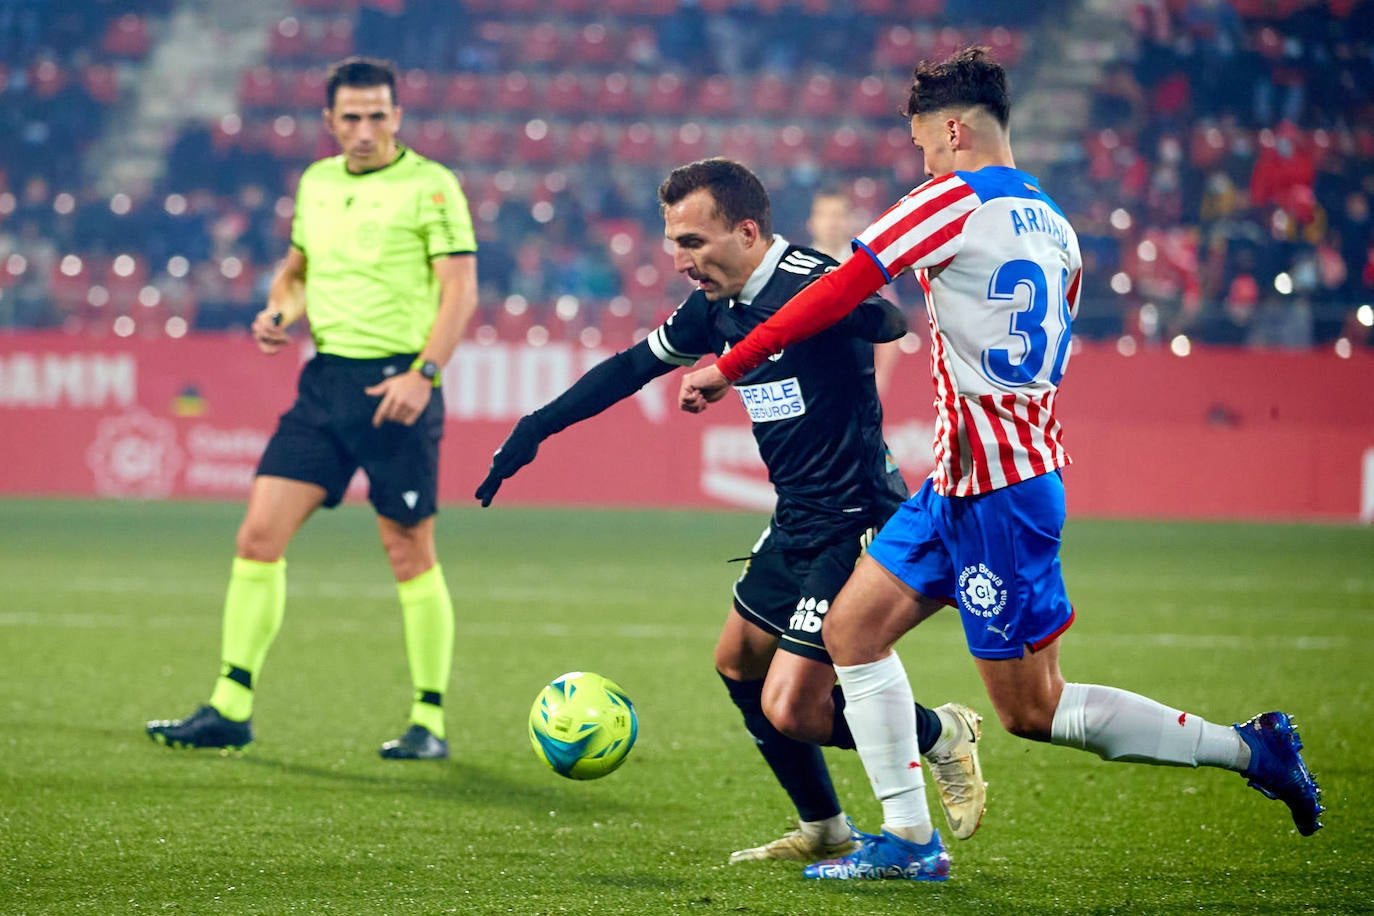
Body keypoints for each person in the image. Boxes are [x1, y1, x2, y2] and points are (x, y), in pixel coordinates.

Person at [680, 48, 1322, 881]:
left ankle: (1251, 749)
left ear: (953, 130)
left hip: (1002, 496)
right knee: (851, 631)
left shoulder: (947, 200)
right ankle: (909, 843)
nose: (921, 161)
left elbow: (839, 291)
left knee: (1032, 708)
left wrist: (729, 365)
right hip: (960, 482)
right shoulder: (1056, 224)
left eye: (922, 144)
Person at [475, 158, 987, 862]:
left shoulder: (808, 282)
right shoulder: (717, 306)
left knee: (795, 707)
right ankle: (825, 829)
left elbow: (887, 319)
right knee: (738, 664)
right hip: (797, 518)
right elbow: (632, 367)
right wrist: (538, 425)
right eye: (673, 242)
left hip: (857, 515)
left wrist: (859, 307)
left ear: (747, 231)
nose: (679, 259)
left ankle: (941, 736)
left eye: (693, 242)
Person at [147, 57, 480, 761]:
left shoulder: (432, 187)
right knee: (257, 537)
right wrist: (279, 310)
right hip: (324, 385)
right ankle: (231, 706)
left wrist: (424, 374)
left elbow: (459, 292)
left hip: (398, 387)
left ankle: (430, 721)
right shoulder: (318, 183)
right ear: (329, 123)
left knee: (407, 549)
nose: (365, 130)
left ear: (398, 117)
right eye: (351, 117)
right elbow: (298, 271)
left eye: (378, 115)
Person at [805, 186, 904, 396]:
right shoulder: (795, 268)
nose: (832, 222)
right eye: (824, 215)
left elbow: (891, 325)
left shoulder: (869, 269)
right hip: (808, 382)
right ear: (811, 222)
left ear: (850, 220)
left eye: (838, 215)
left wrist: (881, 375)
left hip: (856, 381)